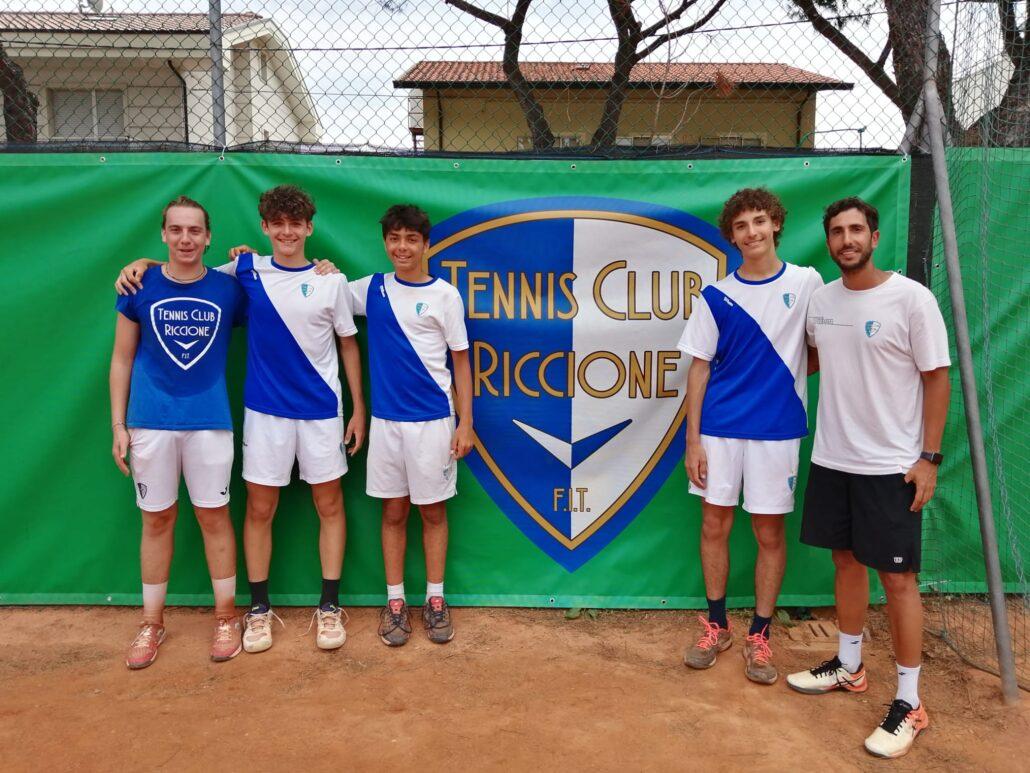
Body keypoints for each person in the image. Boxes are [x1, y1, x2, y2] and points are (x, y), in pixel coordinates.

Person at [116, 185, 365, 653]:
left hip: (322, 414)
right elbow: (188, 272)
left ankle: (329, 607)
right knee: (259, 509)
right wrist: (142, 264)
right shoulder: (244, 271)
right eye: (278, 223)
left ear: (309, 228)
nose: (287, 231)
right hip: (264, 414)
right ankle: (257, 610)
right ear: (265, 227)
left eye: (297, 223)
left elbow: (349, 344)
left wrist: (359, 409)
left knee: (329, 505)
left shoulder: (332, 280)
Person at [786, 197, 950, 760]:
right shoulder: (822, 302)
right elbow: (808, 358)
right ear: (829, 242)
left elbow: (936, 376)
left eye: (857, 230)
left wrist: (929, 456)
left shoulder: (911, 299)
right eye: (837, 231)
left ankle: (911, 703)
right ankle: (850, 666)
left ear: (874, 238)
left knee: (899, 582)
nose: (847, 239)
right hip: (832, 458)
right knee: (845, 562)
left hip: (892, 467)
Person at [678, 187, 823, 684]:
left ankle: (759, 636)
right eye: (741, 226)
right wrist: (692, 440)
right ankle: (716, 626)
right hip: (718, 429)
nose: (752, 232)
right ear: (732, 236)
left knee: (768, 532)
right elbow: (697, 370)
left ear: (776, 224)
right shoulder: (715, 296)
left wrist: (786, 381)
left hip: (778, 431)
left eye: (760, 221)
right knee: (714, 525)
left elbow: (819, 349)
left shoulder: (807, 283)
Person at [110, 196, 246, 668]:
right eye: (176, 230)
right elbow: (122, 358)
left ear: (209, 237)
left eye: (195, 231)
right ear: (164, 235)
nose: (186, 239)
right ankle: (152, 623)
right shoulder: (138, 285)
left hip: (210, 422)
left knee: (214, 517)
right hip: (150, 422)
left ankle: (227, 617)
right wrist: (118, 424)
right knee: (156, 520)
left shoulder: (230, 288)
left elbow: (277, 277)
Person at [348, 204, 474, 646]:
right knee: (394, 512)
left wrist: (465, 423)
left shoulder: (446, 296)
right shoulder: (370, 290)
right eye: (394, 239)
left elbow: (461, 361)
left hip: (435, 424)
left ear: (426, 244)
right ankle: (396, 601)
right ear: (385, 243)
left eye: (411, 239)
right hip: (386, 425)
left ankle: (436, 600)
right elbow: (313, 289)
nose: (402, 247)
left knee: (433, 512)